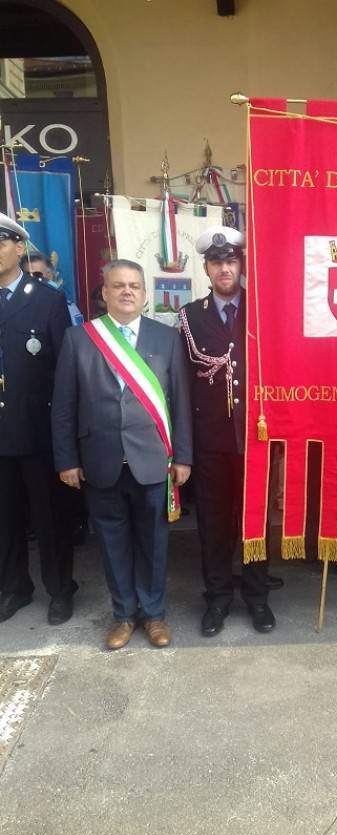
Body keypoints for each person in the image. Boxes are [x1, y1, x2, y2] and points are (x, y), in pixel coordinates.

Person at [52, 259, 193, 649]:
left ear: (145, 295)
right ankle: (123, 616)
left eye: (134, 285)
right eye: (118, 286)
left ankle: (154, 615)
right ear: (105, 293)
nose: (127, 291)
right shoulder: (79, 339)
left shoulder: (166, 339)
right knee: (112, 545)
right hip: (100, 462)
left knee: (153, 543)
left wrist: (183, 456)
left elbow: (179, 401)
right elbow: (64, 405)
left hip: (152, 461)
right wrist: (66, 460)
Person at [179, 225, 276, 636]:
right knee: (214, 524)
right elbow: (182, 387)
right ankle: (217, 598)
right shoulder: (189, 317)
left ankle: (257, 597)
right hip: (211, 441)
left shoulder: (264, 311)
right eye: (217, 262)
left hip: (257, 438)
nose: (224, 268)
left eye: (231, 260)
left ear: (242, 264)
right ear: (206, 268)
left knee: (255, 520)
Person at [0, 211, 76, 624]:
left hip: (37, 430)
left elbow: (63, 373)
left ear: (17, 247)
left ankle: (61, 588)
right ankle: (14, 587)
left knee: (50, 518)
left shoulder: (46, 299)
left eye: (1, 243)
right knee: (5, 520)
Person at [20, 251, 84, 325]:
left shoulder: (65, 306)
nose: (31, 279)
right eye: (27, 275)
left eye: (37, 275)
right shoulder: (13, 303)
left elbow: (75, 334)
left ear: (49, 275)